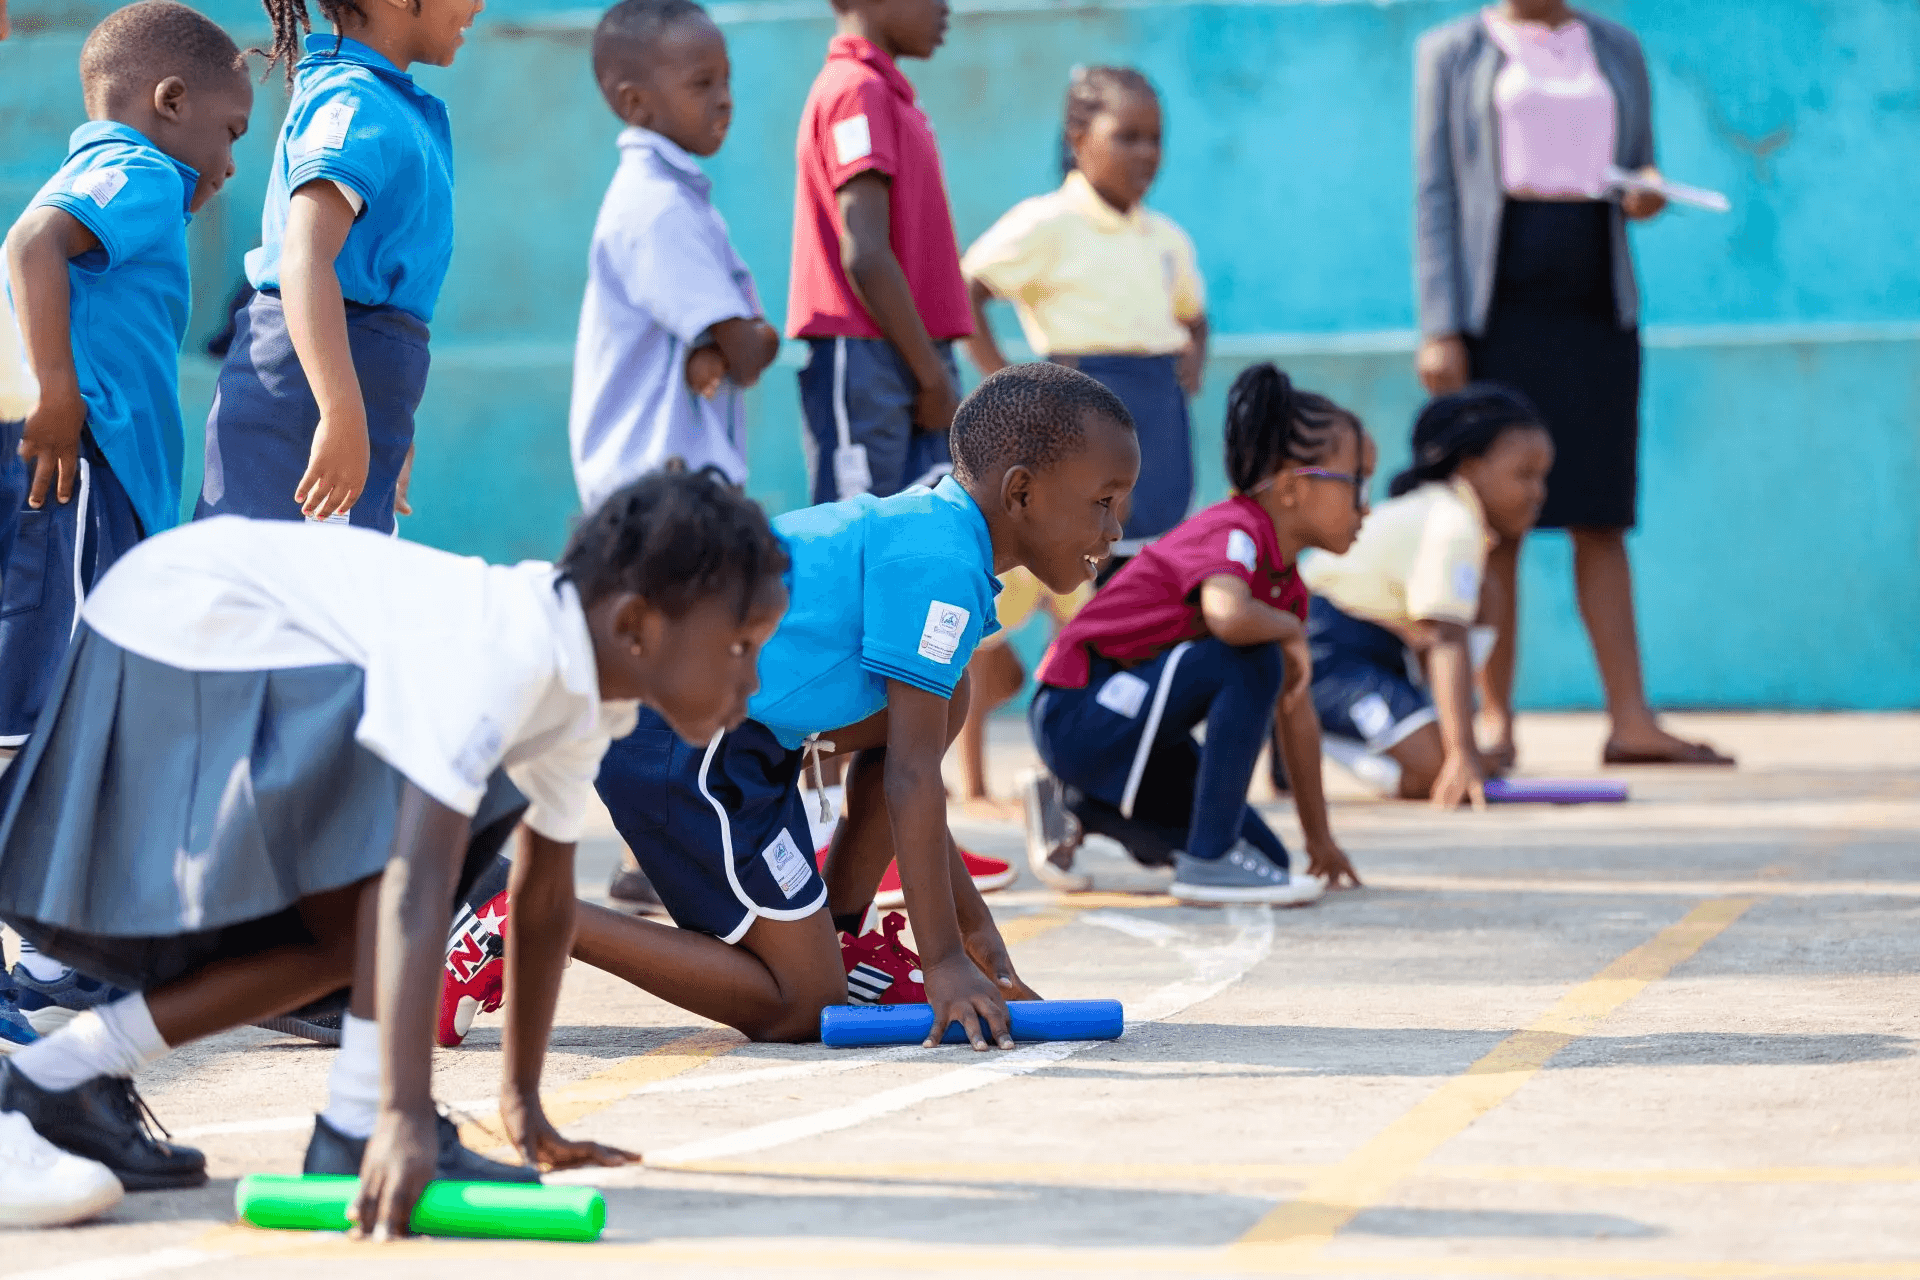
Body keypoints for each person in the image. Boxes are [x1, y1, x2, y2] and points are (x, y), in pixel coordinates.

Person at [0, 470, 783, 1230]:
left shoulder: (587, 695)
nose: (750, 685)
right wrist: (405, 1113)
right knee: (412, 855)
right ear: (636, 628)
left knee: (344, 940)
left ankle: (54, 1077)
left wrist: (522, 1099)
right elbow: (412, 885)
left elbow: (541, 906)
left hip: (202, 625)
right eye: (739, 648)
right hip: (183, 622)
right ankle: (365, 1120)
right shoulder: (502, 650)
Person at [447, 363, 1140, 1051]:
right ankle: (520, 910)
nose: (1115, 529)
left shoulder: (936, 531)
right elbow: (910, 779)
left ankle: (841, 938)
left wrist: (977, 936)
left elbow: (902, 763)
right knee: (802, 1006)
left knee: (944, 699)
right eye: (1103, 502)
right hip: (673, 741)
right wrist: (947, 963)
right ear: (1020, 491)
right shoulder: (941, 565)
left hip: (740, 743)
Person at [2, 0, 253, 1036]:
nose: (231, 164)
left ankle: (70, 943)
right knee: (48, 719)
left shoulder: (132, 175)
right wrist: (58, 394)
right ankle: (53, 951)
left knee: (81, 718)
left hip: (100, 480)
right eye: (231, 132)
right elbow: (30, 247)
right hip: (80, 470)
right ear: (170, 103)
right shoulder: (140, 171)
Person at [1413, 0, 1731, 768]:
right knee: (1493, 527)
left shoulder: (1616, 47)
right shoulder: (1451, 51)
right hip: (1498, 307)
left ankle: (1631, 720)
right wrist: (1440, 325)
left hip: (1596, 299)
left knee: (1602, 515)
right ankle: (1494, 724)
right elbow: (1435, 194)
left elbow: (1641, 166)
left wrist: (1646, 196)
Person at [1023, 365, 1365, 904]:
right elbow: (1227, 615)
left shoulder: (1284, 587)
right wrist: (1290, 633)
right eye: (1356, 481)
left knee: (1268, 861)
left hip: (1135, 720)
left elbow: (1297, 719)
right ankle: (1208, 862)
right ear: (1297, 487)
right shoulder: (1236, 531)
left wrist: (1319, 841)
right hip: (1079, 707)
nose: (1365, 505)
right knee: (1252, 658)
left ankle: (1082, 808)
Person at [197, 0, 480, 531]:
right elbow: (305, 258)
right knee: (288, 601)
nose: (480, 4)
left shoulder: (382, 99)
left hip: (340, 392)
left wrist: (375, 415)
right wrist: (341, 414)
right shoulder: (353, 100)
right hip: (302, 405)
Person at [963, 65, 1206, 567]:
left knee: (1152, 557)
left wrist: (1194, 358)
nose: (1146, 153)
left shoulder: (1167, 237)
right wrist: (1005, 382)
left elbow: (1195, 317)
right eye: (1127, 137)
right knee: (1087, 560)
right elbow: (967, 291)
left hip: (1159, 408)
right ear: (1077, 139)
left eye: (1155, 139)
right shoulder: (1047, 222)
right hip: (1083, 409)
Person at [569, 0, 779, 510]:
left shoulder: (675, 197)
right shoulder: (656, 208)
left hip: (670, 488)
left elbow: (728, 346)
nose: (726, 100)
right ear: (636, 103)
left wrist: (712, 348)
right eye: (702, 84)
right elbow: (750, 354)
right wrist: (755, 337)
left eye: (726, 81)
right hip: (657, 496)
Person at [1302, 385, 1554, 807]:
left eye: (1543, 477)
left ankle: (1323, 732)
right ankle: (1301, 725)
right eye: (1523, 475)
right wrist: (1460, 753)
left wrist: (1462, 742)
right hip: (1321, 646)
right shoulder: (1452, 524)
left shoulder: (1455, 522)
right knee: (1437, 772)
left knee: (1488, 594)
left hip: (1374, 650)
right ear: (1470, 468)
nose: (1538, 492)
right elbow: (1446, 642)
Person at [788, 0, 970, 505]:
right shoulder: (855, 90)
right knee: (860, 542)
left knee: (915, 541)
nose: (945, 7)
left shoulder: (884, 94)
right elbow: (864, 252)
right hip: (871, 356)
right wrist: (929, 377)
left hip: (908, 353)